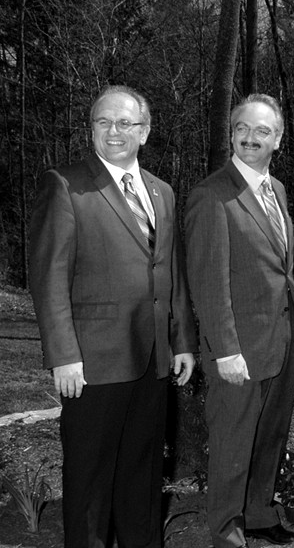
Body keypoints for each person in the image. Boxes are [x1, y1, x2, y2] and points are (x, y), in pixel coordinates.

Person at [28, 85, 197, 548]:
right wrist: (64, 356)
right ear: (93, 128)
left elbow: (172, 273)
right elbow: (49, 280)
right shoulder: (64, 184)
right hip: (93, 364)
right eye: (103, 122)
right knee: (90, 484)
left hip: (154, 360)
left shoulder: (162, 192)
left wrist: (182, 340)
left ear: (144, 131)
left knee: (142, 479)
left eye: (125, 123)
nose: (113, 131)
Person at [185, 93, 294, 548]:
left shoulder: (276, 190)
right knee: (233, 443)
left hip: (281, 338)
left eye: (262, 131)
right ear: (231, 133)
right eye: (242, 128)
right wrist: (225, 350)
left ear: (278, 140)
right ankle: (227, 529)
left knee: (270, 437)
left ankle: (261, 514)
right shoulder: (211, 196)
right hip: (238, 348)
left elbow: (273, 261)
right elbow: (208, 282)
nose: (250, 137)